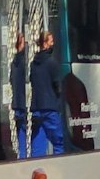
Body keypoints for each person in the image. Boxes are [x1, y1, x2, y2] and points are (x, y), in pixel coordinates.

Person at [11, 29, 66, 157]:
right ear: (45, 43)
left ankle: (36, 164)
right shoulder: (52, 62)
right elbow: (57, 85)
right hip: (50, 107)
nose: (53, 44)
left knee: (38, 143)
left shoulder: (33, 64)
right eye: (51, 41)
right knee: (58, 142)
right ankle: (59, 163)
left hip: (37, 108)